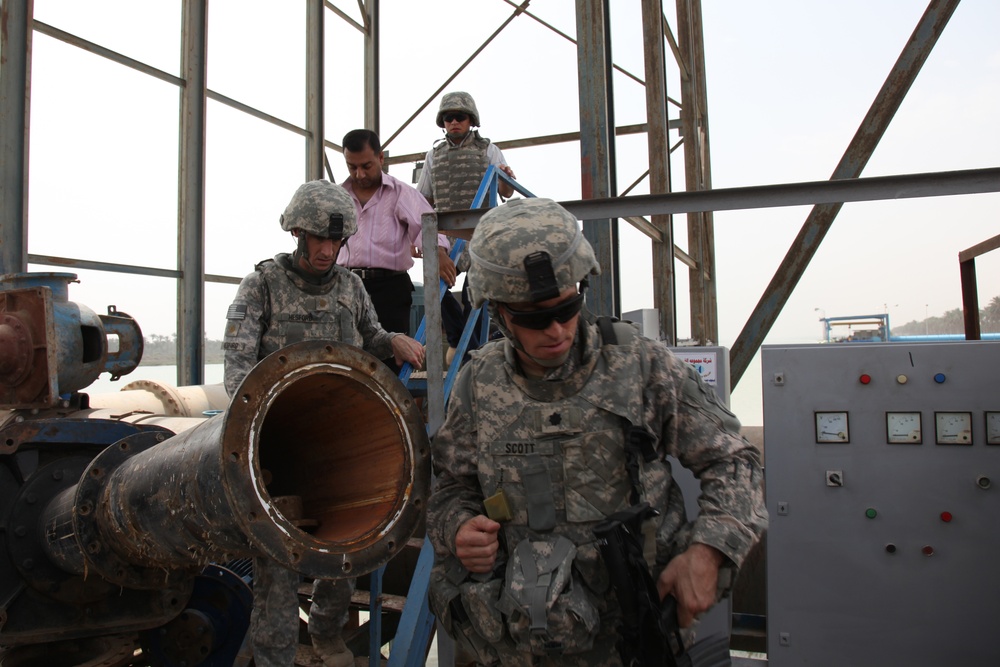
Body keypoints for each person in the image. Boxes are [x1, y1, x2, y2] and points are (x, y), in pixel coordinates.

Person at [425, 198, 767, 666]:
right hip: (522, 643)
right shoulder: (477, 384)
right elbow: (449, 487)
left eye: (568, 307)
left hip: (634, 640)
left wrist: (709, 551)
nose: (557, 330)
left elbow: (734, 459)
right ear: (499, 313)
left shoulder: (640, 365)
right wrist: (460, 527)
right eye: (532, 317)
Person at [223, 180, 425, 667]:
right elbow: (236, 367)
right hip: (272, 447)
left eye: (335, 242)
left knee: (347, 547)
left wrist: (394, 340)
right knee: (277, 564)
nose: (327, 251)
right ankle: (274, 655)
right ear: (297, 233)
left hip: (334, 446)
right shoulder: (263, 286)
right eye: (318, 239)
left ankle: (328, 634)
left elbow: (372, 336)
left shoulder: (351, 287)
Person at [339, 128, 457, 371]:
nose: (359, 174)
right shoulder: (338, 196)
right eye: (352, 167)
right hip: (344, 287)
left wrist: (439, 253)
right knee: (343, 357)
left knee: (389, 362)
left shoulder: (401, 193)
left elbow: (426, 225)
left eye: (366, 166)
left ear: (381, 158)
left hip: (388, 290)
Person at [417, 91, 516, 360]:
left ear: (471, 120)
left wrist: (506, 177)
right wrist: (420, 238)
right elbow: (423, 199)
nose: (453, 122)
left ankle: (470, 348)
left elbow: (506, 191)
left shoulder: (488, 149)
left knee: (477, 294)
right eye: (448, 118)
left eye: (459, 117)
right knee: (433, 290)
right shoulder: (433, 156)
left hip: (481, 233)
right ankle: (464, 340)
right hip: (447, 236)